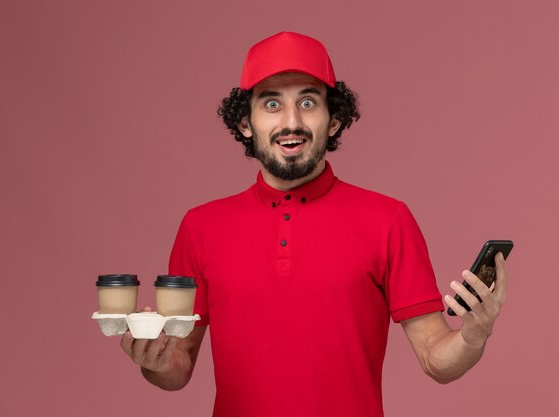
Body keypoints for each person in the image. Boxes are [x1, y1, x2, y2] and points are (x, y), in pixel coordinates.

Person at [120, 31, 508, 417]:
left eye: (308, 102)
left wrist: (473, 337)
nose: (292, 121)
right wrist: (153, 359)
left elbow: (435, 358)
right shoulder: (200, 227)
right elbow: (178, 367)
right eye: (272, 103)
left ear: (334, 119)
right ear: (245, 124)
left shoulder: (388, 219)